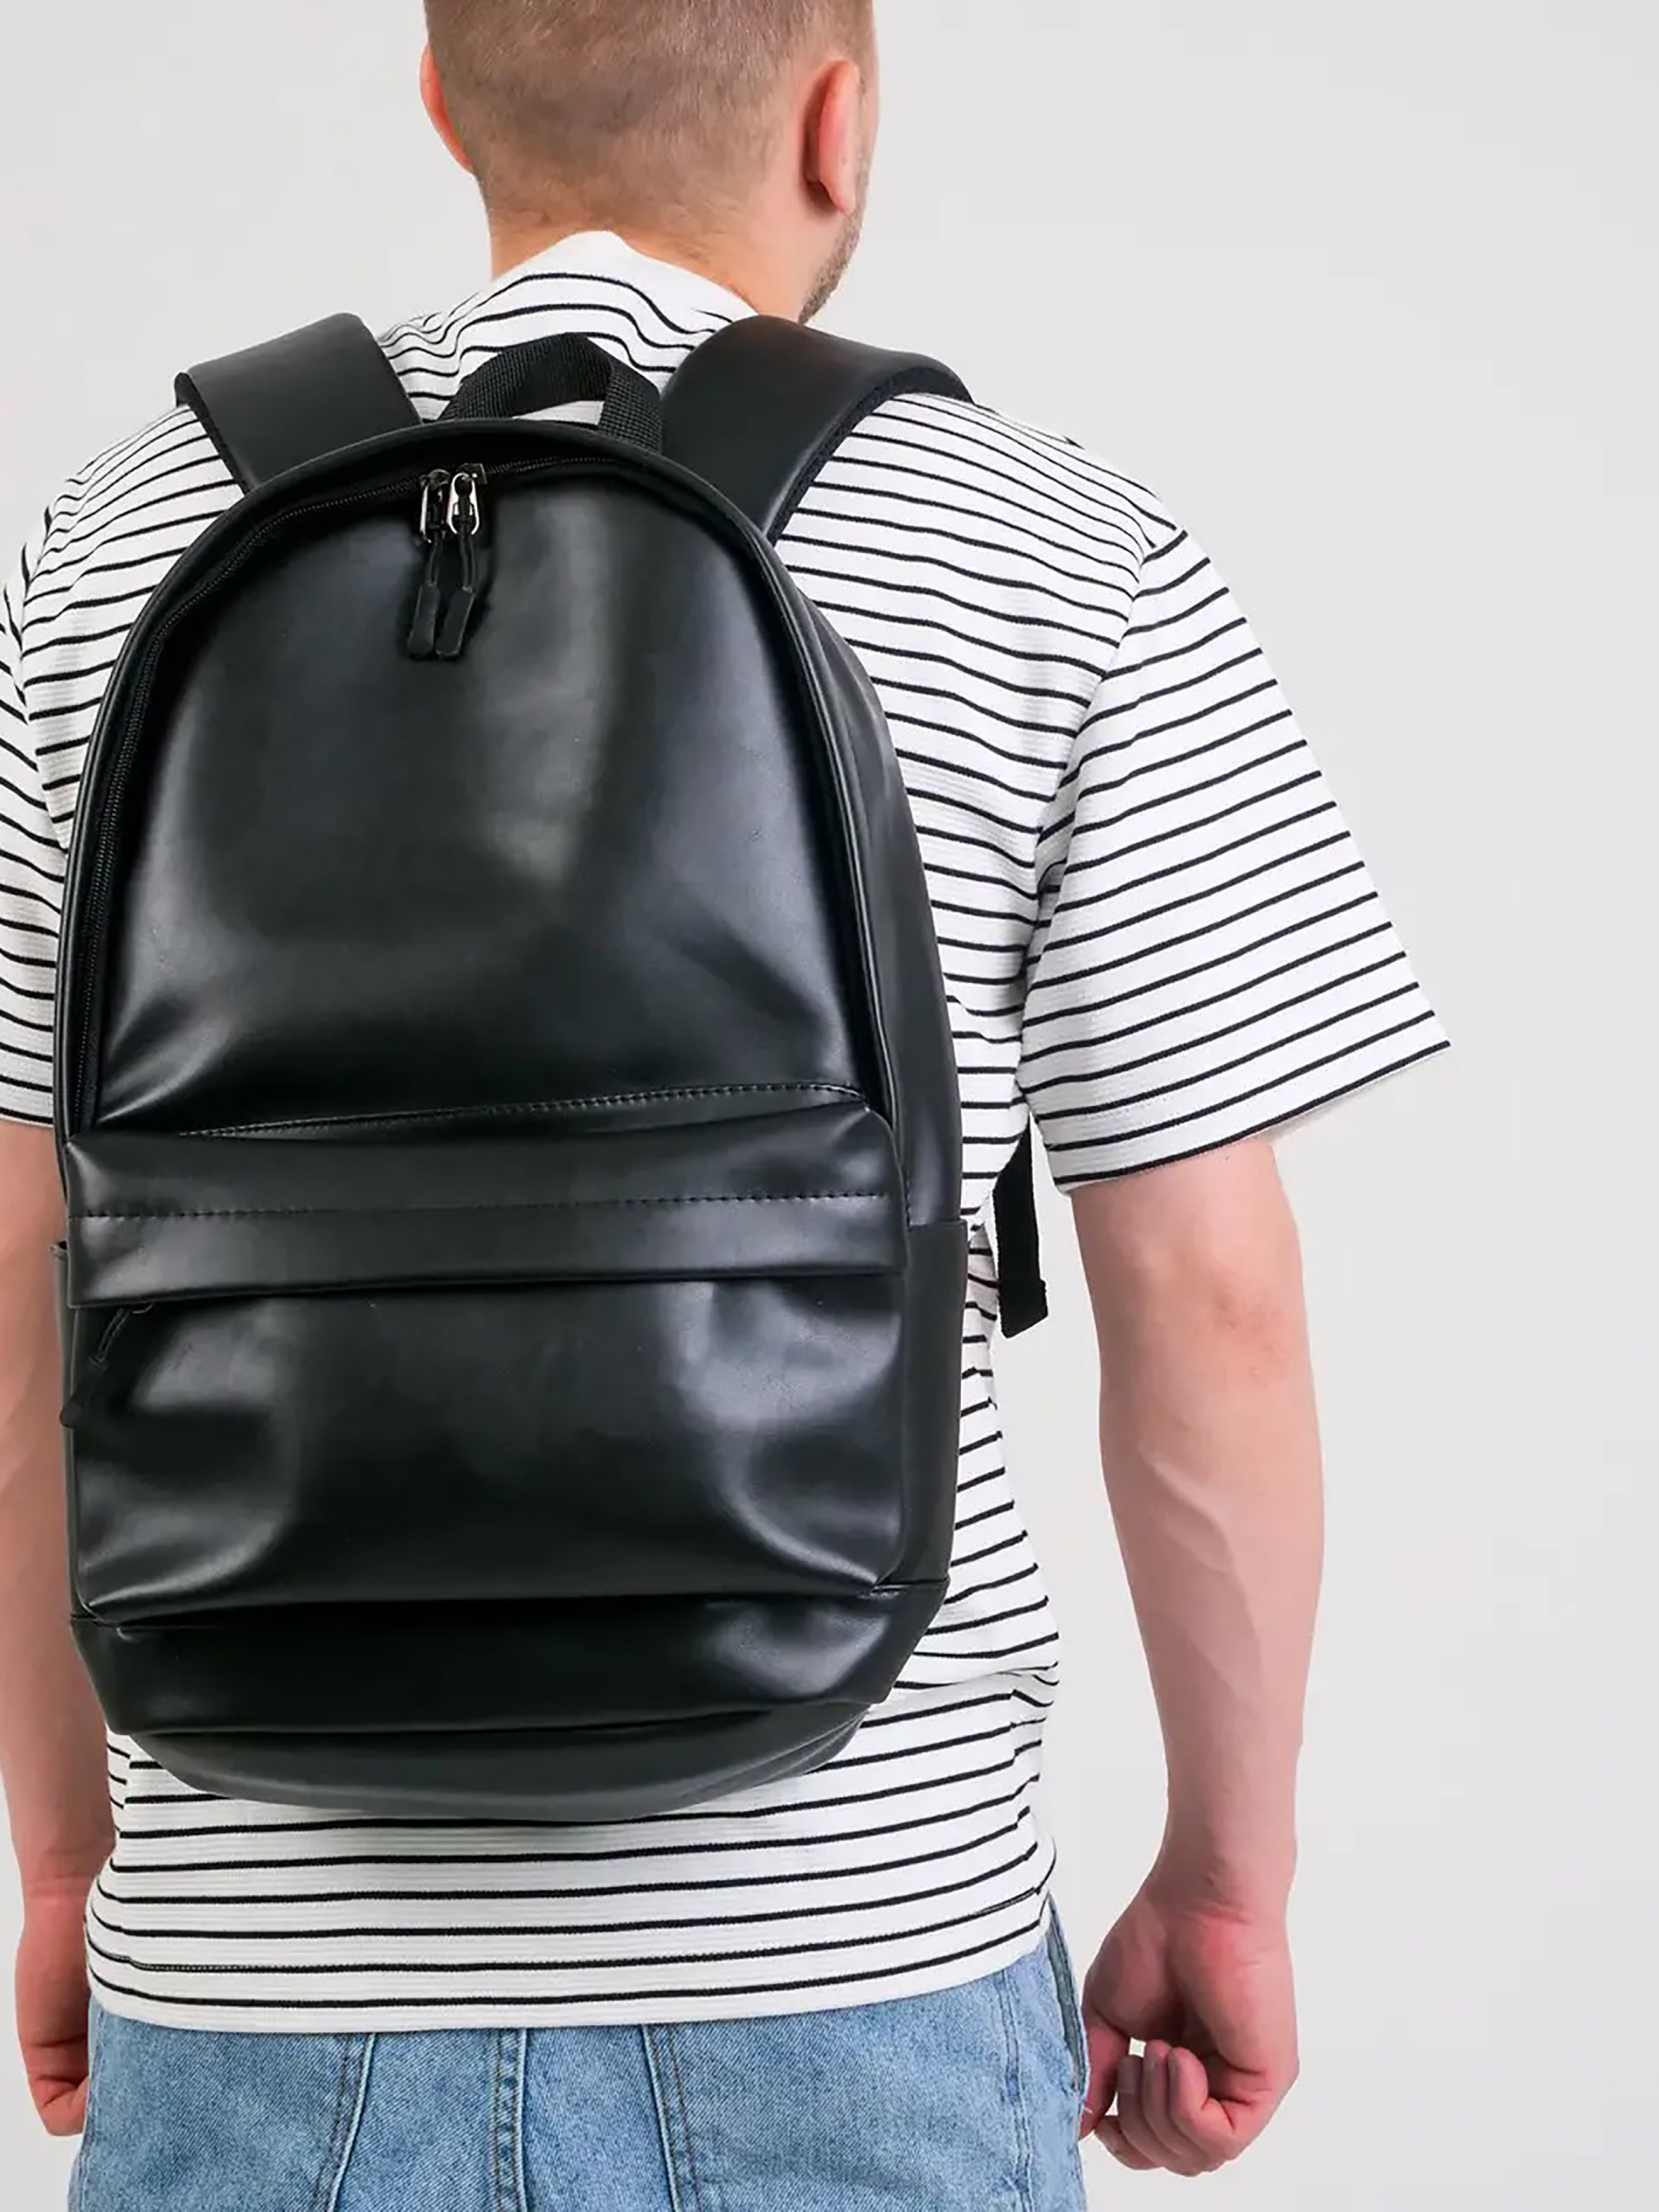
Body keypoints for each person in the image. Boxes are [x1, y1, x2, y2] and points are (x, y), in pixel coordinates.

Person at [0, 3, 1448, 2205]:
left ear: (440, 101)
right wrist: (1227, 1883)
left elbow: (31, 1285)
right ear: (836, 114)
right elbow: (1211, 1302)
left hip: (256, 1982)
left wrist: (68, 1857)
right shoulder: (1058, 547)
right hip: (859, 1960)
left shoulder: (105, 551)